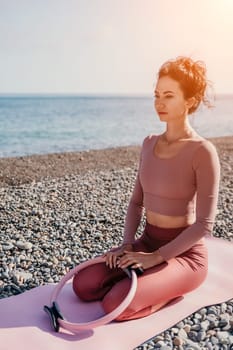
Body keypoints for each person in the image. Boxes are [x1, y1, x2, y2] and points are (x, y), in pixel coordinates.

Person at [72, 56, 221, 321]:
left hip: (185, 254)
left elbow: (204, 225)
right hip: (146, 241)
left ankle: (170, 291)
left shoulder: (202, 151)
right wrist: (127, 245)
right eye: (156, 95)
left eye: (168, 96)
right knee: (83, 285)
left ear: (189, 101)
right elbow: (136, 203)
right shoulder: (148, 144)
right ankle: (150, 282)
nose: (159, 103)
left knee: (114, 305)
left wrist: (157, 258)